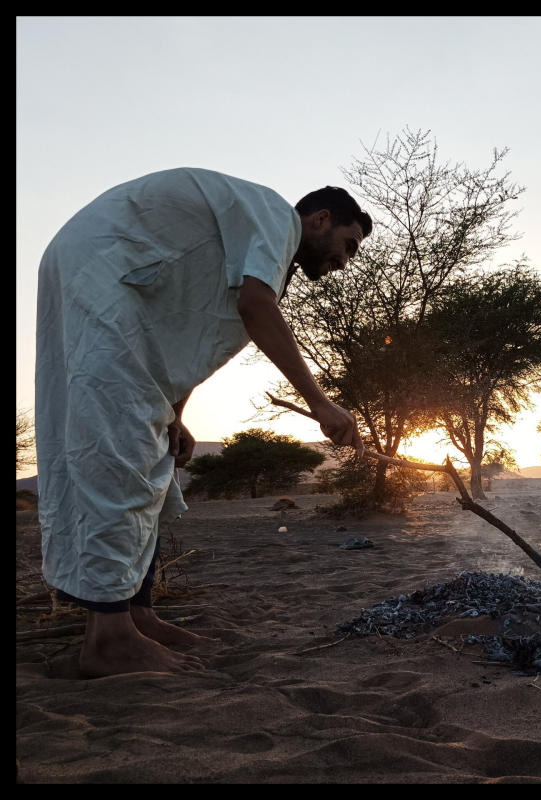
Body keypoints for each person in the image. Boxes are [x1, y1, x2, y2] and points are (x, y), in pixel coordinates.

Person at [35, 169, 370, 677]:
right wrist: (323, 404)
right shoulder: (277, 218)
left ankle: (138, 615)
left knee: (152, 449)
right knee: (121, 448)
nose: (343, 262)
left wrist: (177, 412)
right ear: (321, 219)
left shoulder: (257, 245)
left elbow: (197, 332)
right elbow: (254, 309)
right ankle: (108, 638)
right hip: (103, 267)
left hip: (119, 279)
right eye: (346, 245)